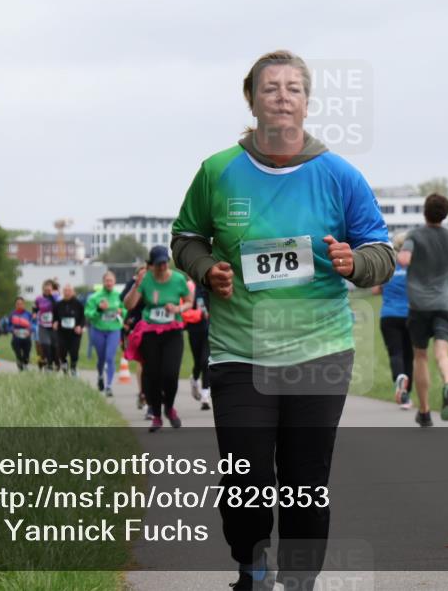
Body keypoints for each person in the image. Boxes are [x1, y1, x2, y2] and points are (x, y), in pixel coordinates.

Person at [171, 50, 393, 589]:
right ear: (251, 99)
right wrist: (207, 269)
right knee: (246, 478)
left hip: (319, 351)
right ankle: (251, 566)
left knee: (304, 482)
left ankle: (298, 581)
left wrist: (354, 262)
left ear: (308, 102)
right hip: (238, 350)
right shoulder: (218, 171)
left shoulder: (339, 175)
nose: (283, 97)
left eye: (294, 88)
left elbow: (381, 251)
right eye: (271, 88)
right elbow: (185, 238)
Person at [397, 193, 448, 427]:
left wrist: (401, 252)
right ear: (445, 214)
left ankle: (425, 412)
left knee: (420, 355)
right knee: (442, 354)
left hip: (419, 306)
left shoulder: (415, 235)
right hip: (445, 305)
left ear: (424, 212)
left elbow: (405, 260)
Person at [123, 246, 192, 433]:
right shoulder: (145, 280)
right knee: (151, 375)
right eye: (158, 264)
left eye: (164, 262)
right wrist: (137, 285)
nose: (162, 266)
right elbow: (129, 304)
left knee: (170, 373)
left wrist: (178, 309)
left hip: (172, 331)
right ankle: (156, 416)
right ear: (151, 265)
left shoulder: (178, 279)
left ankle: (169, 407)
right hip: (150, 332)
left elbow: (189, 301)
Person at [373, 232, 414, 410]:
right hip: (410, 316)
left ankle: (399, 380)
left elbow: (375, 290)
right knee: (409, 355)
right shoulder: (413, 267)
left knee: (395, 353)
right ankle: (407, 395)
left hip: (388, 316)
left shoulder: (388, 265)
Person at [85, 271, 127, 395]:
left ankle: (108, 386)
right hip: (98, 329)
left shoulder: (119, 296)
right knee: (101, 358)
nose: (109, 283)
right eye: (107, 280)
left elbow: (125, 310)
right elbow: (88, 313)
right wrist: (99, 309)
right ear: (103, 282)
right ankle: (100, 376)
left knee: (110, 357)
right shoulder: (95, 297)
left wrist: (121, 312)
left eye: (111, 280)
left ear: (114, 282)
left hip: (114, 330)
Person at [121, 265, 150, 414]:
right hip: (137, 326)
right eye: (141, 275)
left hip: (155, 326)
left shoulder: (156, 285)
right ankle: (143, 393)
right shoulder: (133, 286)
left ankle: (151, 393)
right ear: (137, 276)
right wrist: (136, 286)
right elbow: (126, 303)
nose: (145, 277)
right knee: (143, 362)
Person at [184, 278, 212, 410]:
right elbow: (183, 311)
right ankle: (194, 379)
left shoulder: (209, 286)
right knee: (197, 362)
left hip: (209, 329)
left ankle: (205, 396)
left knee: (205, 361)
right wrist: (198, 315)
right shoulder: (188, 287)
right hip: (194, 329)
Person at [53, 283, 85, 376]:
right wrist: (55, 322)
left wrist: (80, 326)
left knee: (74, 352)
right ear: (63, 292)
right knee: (62, 351)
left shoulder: (78, 304)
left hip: (75, 333)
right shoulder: (58, 305)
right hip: (62, 332)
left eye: (69, 291)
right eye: (65, 291)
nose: (67, 293)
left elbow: (83, 317)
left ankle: (73, 367)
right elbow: (55, 317)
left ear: (73, 292)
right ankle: (64, 365)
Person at [34, 280, 58, 370]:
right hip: (42, 325)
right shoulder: (38, 298)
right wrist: (34, 313)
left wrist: (51, 296)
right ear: (43, 288)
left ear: (52, 289)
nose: (47, 289)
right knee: (45, 345)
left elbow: (57, 307)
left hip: (53, 326)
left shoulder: (56, 297)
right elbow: (35, 307)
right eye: (46, 287)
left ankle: (55, 362)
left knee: (54, 347)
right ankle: (49, 365)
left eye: (49, 287)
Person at [8, 297, 34, 370]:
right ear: (15, 305)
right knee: (18, 353)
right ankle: (19, 363)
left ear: (24, 305)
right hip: (16, 337)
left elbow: (33, 324)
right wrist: (13, 330)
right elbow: (8, 326)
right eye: (18, 304)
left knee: (26, 354)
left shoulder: (28, 314)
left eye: (21, 304)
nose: (19, 305)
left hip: (26, 337)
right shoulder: (12, 314)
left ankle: (25, 363)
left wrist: (30, 331)